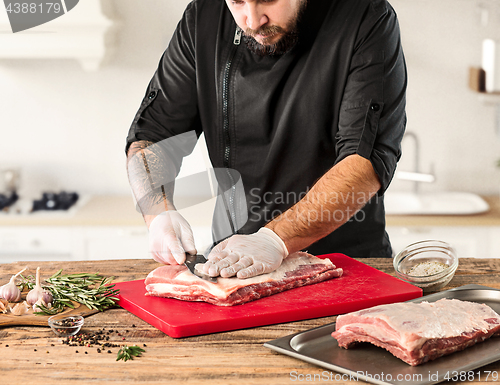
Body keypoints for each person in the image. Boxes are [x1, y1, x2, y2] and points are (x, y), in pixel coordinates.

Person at [126, 0, 407, 280]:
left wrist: (274, 239)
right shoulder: (203, 17)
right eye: (237, 2)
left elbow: (364, 159)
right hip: (233, 267)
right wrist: (157, 211)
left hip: (347, 266)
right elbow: (152, 134)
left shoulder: (365, 16)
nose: (252, 19)